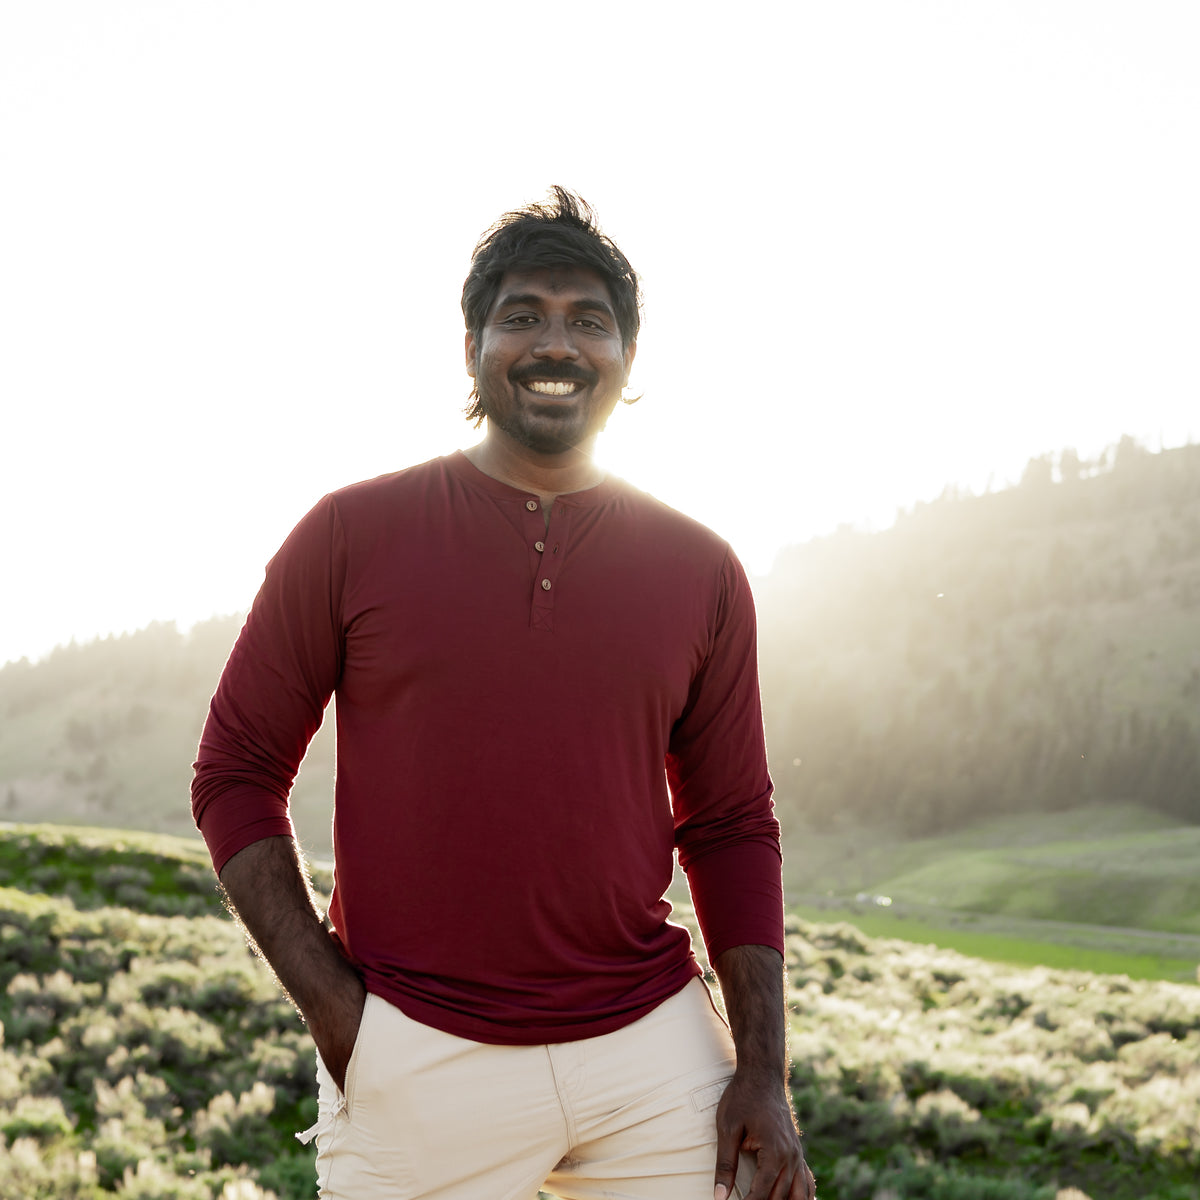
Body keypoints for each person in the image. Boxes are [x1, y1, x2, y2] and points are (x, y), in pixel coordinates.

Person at [191, 187, 815, 1200]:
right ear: (474, 345)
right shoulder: (351, 534)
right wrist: (342, 1021)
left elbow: (734, 822)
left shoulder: (700, 567)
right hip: (418, 1053)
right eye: (522, 314)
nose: (555, 343)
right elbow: (234, 775)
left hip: (649, 1048)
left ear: (627, 356)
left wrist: (762, 1069)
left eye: (589, 321)